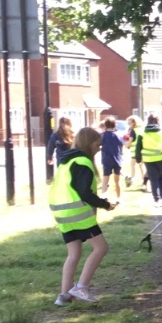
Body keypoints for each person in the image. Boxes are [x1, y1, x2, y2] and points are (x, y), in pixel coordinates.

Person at [51, 127, 117, 305]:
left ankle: (64, 295)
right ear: (89, 144)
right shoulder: (83, 162)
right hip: (78, 214)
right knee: (101, 248)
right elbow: (84, 193)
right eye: (97, 145)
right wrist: (105, 205)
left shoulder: (67, 160)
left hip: (61, 213)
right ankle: (81, 287)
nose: (99, 149)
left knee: (74, 253)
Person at [136, 114, 162, 202]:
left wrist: (138, 158)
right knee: (161, 177)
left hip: (148, 159)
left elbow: (138, 146)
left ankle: (156, 197)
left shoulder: (142, 133)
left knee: (153, 178)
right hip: (161, 157)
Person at [99, 117, 123, 201]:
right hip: (117, 160)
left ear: (105, 125)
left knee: (105, 180)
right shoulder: (117, 135)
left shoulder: (102, 135)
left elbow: (98, 144)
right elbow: (121, 145)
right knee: (117, 181)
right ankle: (118, 198)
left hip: (106, 160)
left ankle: (103, 197)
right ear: (114, 125)